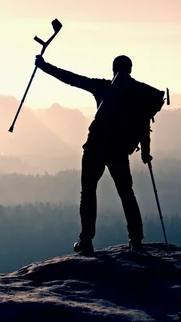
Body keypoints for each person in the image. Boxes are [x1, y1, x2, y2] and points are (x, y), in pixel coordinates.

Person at [35, 54, 156, 253]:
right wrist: (145, 153)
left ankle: (86, 241)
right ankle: (136, 240)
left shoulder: (102, 87)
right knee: (127, 194)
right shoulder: (137, 94)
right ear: (130, 70)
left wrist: (44, 66)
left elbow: (72, 79)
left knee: (88, 192)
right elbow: (143, 124)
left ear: (113, 70)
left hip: (95, 147)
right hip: (118, 152)